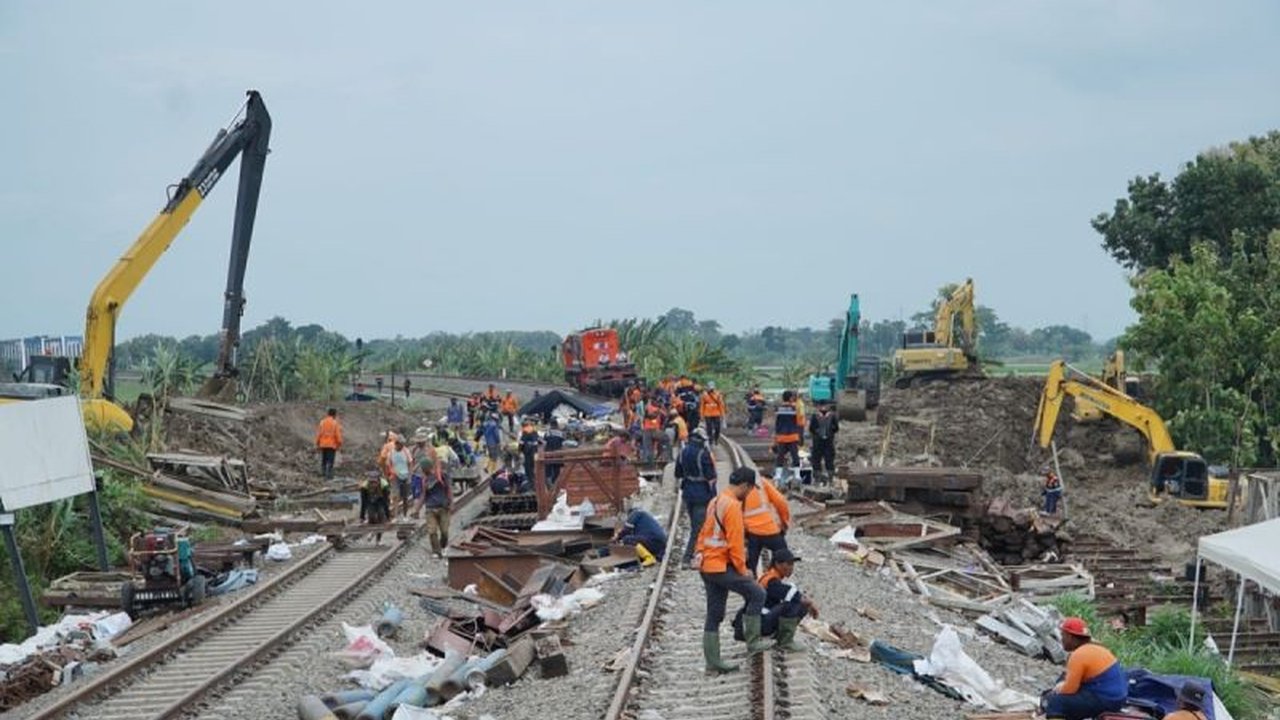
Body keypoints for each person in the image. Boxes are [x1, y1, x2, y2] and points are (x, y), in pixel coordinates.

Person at [696, 466, 772, 673]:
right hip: (721, 566)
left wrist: (699, 553)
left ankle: (712, 662)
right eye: (750, 489)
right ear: (745, 486)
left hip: (708, 566)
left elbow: (703, 532)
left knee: (714, 613)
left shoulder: (715, 501)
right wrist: (743, 569)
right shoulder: (732, 507)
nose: (749, 494)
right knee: (757, 593)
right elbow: (736, 544)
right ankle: (753, 642)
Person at [731, 548, 818, 652]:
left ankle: (779, 637)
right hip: (761, 623)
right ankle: (785, 642)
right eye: (789, 564)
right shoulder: (771, 581)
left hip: (760, 620)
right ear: (777, 564)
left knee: (796, 600)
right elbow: (794, 596)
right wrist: (811, 604)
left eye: (792, 564)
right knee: (795, 604)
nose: (791, 567)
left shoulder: (769, 577)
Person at [1040, 617, 1127, 720]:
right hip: (1117, 697)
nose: (1061, 639)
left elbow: (1070, 689)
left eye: (1063, 635)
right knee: (1063, 681)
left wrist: (1058, 689)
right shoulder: (1098, 648)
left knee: (1056, 702)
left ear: (1070, 637)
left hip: (1106, 699)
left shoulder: (1078, 655)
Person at [676, 428, 718, 566]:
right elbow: (711, 477)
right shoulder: (703, 454)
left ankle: (699, 554)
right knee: (698, 528)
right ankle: (687, 558)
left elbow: (678, 474)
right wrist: (714, 496)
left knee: (696, 525)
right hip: (702, 494)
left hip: (688, 493)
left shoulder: (682, 452)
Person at [742, 470, 792, 576]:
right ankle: (772, 579)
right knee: (783, 556)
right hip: (770, 530)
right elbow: (781, 502)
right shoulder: (762, 483)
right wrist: (784, 523)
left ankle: (752, 585)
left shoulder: (738, 487)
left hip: (751, 532)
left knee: (750, 564)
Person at [418, 439, 452, 556]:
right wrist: (417, 509)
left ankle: (443, 546)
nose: (423, 471)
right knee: (432, 532)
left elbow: (448, 489)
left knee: (444, 532)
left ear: (427, 468)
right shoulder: (425, 480)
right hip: (430, 509)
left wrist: (450, 503)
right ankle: (436, 552)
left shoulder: (441, 476)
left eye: (423, 469)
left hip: (443, 507)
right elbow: (423, 495)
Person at [773, 390, 804, 483]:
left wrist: (775, 438)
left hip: (781, 437)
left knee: (780, 456)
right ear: (790, 398)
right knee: (795, 456)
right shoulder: (795, 408)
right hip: (793, 436)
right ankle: (797, 476)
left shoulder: (778, 408)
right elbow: (800, 422)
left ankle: (778, 475)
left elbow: (777, 424)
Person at [809, 402, 839, 483]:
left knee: (828, 459)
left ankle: (829, 479)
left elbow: (836, 428)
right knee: (817, 459)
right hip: (819, 442)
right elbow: (811, 428)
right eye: (822, 406)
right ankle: (819, 478)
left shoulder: (832, 416)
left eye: (825, 406)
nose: (823, 408)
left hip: (826, 441)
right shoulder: (816, 416)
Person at [388, 436, 414, 518]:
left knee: (405, 497)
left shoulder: (406, 451)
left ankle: (405, 515)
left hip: (405, 476)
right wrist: (391, 472)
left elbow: (410, 463)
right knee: (396, 496)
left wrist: (410, 475)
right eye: (400, 444)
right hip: (395, 476)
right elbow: (389, 464)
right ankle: (396, 515)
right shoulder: (391, 453)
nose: (402, 446)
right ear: (397, 444)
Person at [315, 408, 343, 479]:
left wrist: (317, 443)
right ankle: (329, 475)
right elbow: (337, 435)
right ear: (334, 415)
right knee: (330, 461)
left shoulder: (322, 422)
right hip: (331, 445)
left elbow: (319, 433)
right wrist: (339, 443)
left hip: (323, 444)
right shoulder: (335, 423)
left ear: (328, 414)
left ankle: (323, 473)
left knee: (324, 459)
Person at [543, 418, 565, 486]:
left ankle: (549, 483)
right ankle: (555, 482)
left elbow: (544, 443)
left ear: (551, 425)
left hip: (549, 454)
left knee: (548, 469)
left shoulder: (547, 433)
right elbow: (563, 444)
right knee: (557, 469)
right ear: (557, 425)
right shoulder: (561, 433)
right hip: (558, 454)